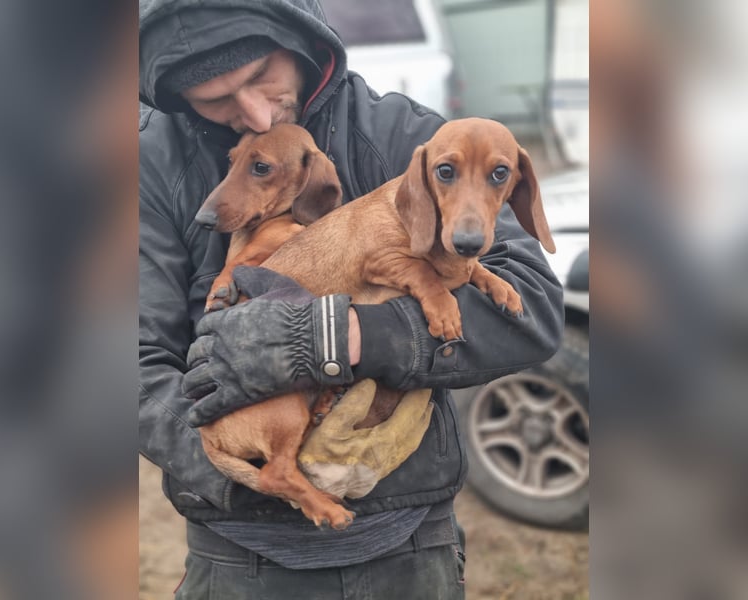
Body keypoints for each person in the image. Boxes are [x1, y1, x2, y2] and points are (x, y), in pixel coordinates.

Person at [139, 0, 564, 597]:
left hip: (407, 539)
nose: (255, 113)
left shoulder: (406, 136)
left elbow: (534, 308)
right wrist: (248, 470)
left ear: (301, 41)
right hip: (241, 550)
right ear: (178, 95)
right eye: (216, 100)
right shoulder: (148, 167)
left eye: (262, 76)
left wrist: (346, 338)